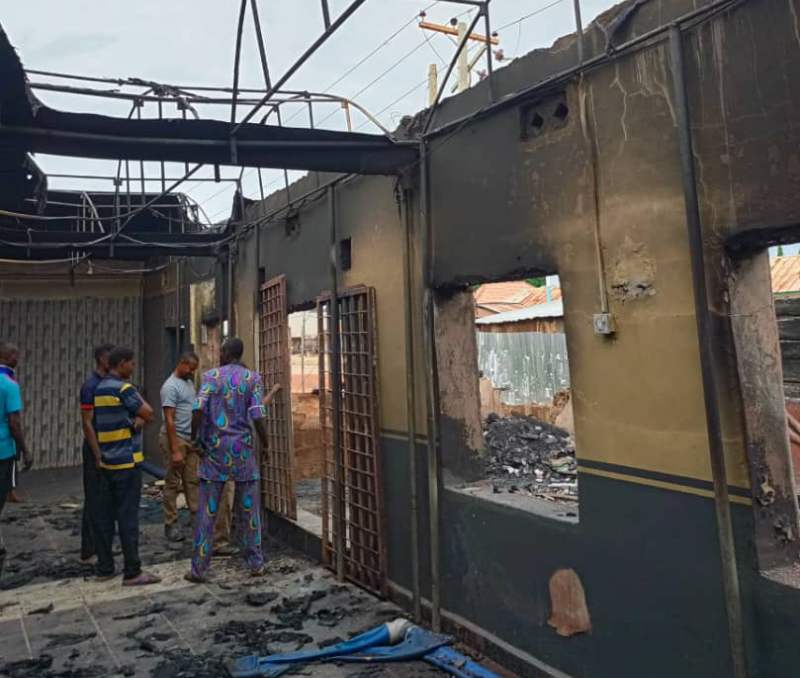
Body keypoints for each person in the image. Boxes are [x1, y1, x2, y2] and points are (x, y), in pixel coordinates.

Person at [185, 337, 281, 583]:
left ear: (227, 353)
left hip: (214, 453)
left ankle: (198, 568)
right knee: (249, 510)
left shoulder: (210, 377)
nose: (219, 354)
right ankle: (256, 563)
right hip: (243, 453)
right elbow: (257, 415)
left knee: (207, 512)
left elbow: (197, 409)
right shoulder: (252, 379)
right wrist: (266, 445)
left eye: (221, 350)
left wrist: (195, 439)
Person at [86, 346, 161, 586]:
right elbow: (149, 413)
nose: (133, 367)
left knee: (105, 518)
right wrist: (136, 418)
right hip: (127, 462)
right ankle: (132, 571)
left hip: (107, 462)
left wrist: (132, 418)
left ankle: (105, 568)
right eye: (131, 363)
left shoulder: (99, 388)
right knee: (128, 518)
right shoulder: (124, 389)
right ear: (121, 364)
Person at [78, 343, 114, 565]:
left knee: (105, 500)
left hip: (109, 446)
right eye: (111, 357)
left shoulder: (108, 383)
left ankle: (101, 546)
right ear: (101, 359)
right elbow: (87, 424)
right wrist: (97, 453)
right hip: (96, 448)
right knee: (93, 499)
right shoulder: (90, 386)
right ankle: (88, 551)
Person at [160, 351, 200, 542]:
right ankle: (171, 523)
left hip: (189, 439)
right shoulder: (170, 386)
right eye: (190, 368)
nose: (192, 372)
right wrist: (175, 449)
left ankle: (196, 520)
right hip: (174, 438)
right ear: (182, 363)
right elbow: (169, 419)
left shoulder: (188, 383)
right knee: (172, 482)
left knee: (192, 480)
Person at [0, 343, 32, 574]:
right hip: (3, 450)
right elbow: (14, 422)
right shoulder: (9, 385)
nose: (17, 359)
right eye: (15, 355)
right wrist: (24, 449)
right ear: (7, 356)